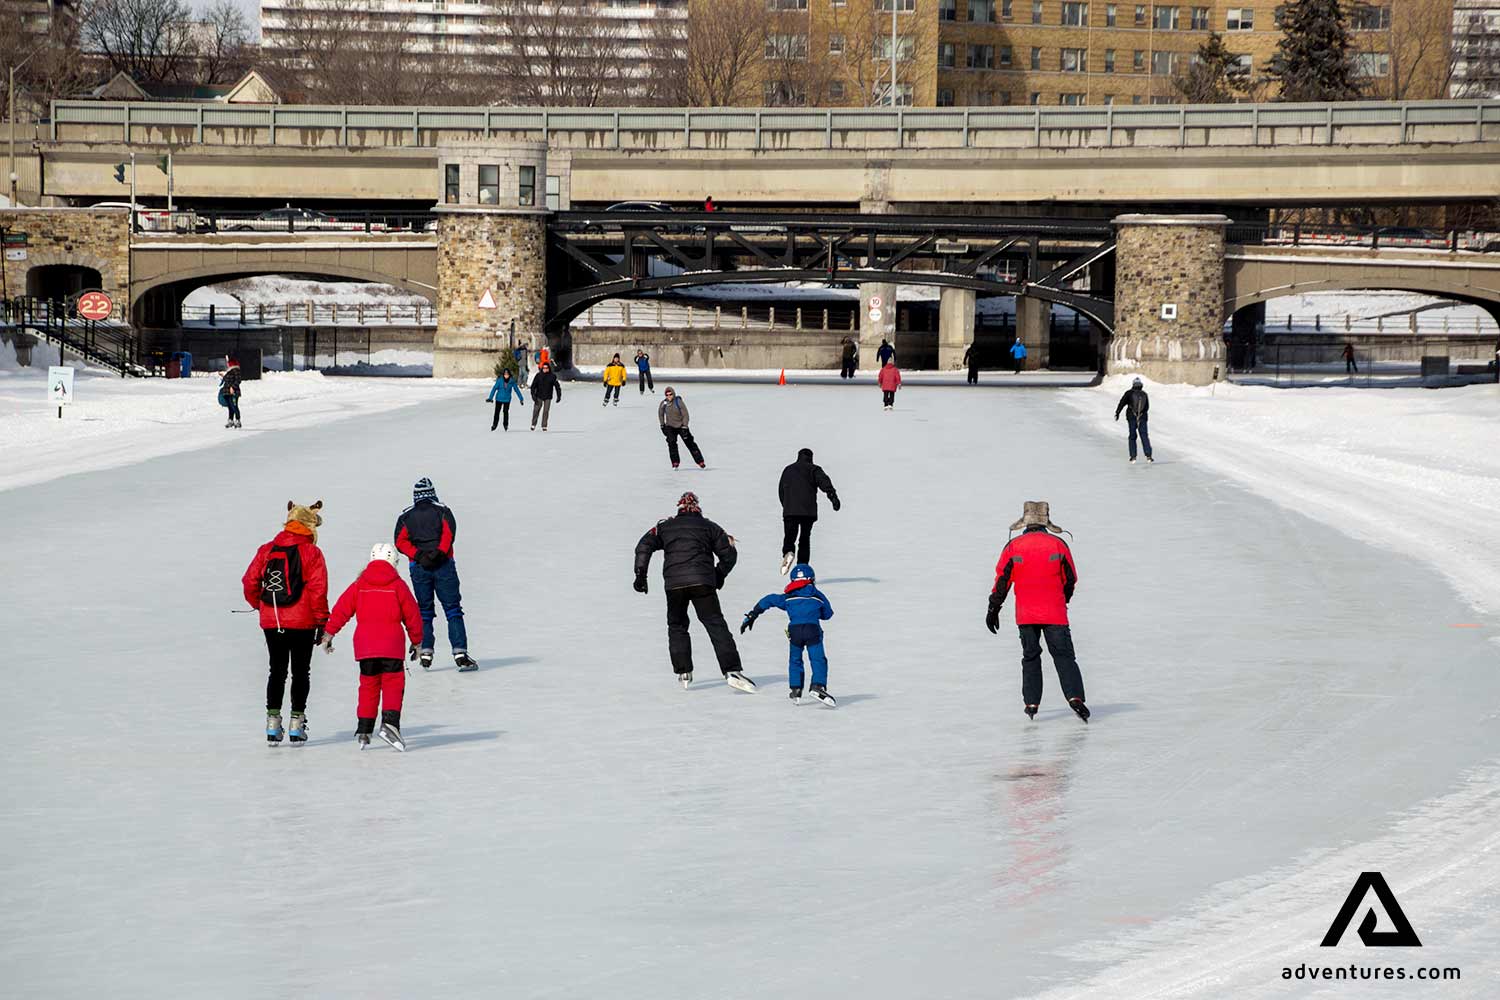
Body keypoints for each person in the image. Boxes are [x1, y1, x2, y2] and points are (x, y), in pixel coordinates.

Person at [634, 492, 753, 692]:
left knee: (677, 625)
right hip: (702, 583)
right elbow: (729, 554)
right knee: (715, 624)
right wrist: (718, 575)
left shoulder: (665, 527)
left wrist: (640, 574)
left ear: (679, 508)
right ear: (697, 508)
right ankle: (731, 670)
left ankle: (684, 671)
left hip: (674, 585)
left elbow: (644, 545)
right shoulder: (710, 527)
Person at [985, 501, 1089, 724]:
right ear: (1045, 522)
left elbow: (1002, 580)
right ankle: (1075, 698)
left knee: (1030, 656)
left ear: (1025, 523)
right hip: (1055, 612)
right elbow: (1071, 579)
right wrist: (1062, 599)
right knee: (1064, 656)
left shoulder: (1013, 547)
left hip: (1026, 614)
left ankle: (1031, 703)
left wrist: (994, 607)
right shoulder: (1058, 544)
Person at [241, 500, 330, 744]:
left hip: (272, 620)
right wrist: (322, 620)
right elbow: (318, 590)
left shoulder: (267, 549)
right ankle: (296, 724)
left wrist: (260, 606)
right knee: (301, 672)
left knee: (276, 670)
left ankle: (272, 723)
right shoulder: (311, 552)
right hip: (303, 621)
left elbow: (249, 581)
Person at [321, 543, 422, 751]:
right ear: (394, 562)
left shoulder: (360, 584)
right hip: (392, 647)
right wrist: (417, 641)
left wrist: (329, 633)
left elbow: (342, 608)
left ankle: (364, 729)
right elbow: (412, 615)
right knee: (393, 684)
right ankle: (390, 724)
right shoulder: (398, 585)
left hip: (366, 647)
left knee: (368, 685)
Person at [394, 477, 475, 670]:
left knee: (424, 611)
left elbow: (400, 541)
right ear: (432, 494)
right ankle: (460, 652)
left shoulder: (406, 517)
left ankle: (426, 652)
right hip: (444, 565)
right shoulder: (443, 511)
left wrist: (419, 556)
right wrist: (438, 553)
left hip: (419, 568)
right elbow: (449, 534)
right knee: (453, 609)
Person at [740, 563, 836, 706]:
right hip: (812, 630)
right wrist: (815, 611)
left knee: (795, 660)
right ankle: (817, 686)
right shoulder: (817, 595)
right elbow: (827, 614)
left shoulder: (788, 597)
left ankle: (796, 690)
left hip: (794, 631)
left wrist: (753, 614)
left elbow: (769, 599)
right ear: (812, 579)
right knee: (818, 659)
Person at [777, 447, 840, 575]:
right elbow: (825, 483)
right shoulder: (814, 469)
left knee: (790, 536)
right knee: (804, 539)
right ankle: (802, 566)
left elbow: (781, 490)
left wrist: (787, 506)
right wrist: (833, 497)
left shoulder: (788, 470)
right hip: (808, 511)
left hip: (790, 511)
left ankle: (788, 552)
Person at [658, 386, 705, 469]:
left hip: (681, 426)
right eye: (667, 395)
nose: (669, 396)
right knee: (671, 443)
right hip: (670, 426)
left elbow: (685, 415)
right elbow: (660, 413)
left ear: (673, 394)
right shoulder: (664, 403)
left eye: (670, 394)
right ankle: (675, 462)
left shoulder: (678, 402)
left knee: (690, 443)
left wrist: (685, 426)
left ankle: (700, 461)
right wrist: (662, 425)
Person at [1113, 376, 1153, 463]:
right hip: (1142, 418)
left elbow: (1122, 403)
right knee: (1144, 435)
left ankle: (1133, 456)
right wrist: (1141, 415)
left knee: (1132, 436)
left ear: (1133, 384)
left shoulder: (1129, 393)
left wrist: (1117, 412)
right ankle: (1148, 455)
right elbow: (1147, 407)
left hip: (1131, 417)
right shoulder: (1144, 394)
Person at [529, 360, 563, 431]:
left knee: (546, 411)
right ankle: (533, 424)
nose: (545, 369)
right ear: (542, 368)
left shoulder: (552, 376)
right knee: (536, 410)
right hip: (539, 396)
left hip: (548, 396)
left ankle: (544, 426)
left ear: (549, 368)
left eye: (546, 368)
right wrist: (533, 395)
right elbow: (533, 386)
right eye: (544, 368)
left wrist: (559, 396)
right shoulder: (538, 375)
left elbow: (557, 387)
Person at [219, 358, 243, 429]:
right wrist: (223, 376)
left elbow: (238, 380)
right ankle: (231, 420)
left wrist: (233, 387)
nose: (227, 365)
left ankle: (238, 420)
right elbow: (228, 380)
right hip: (227, 392)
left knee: (234, 406)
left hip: (233, 392)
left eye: (228, 363)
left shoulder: (236, 370)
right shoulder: (230, 371)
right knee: (230, 407)